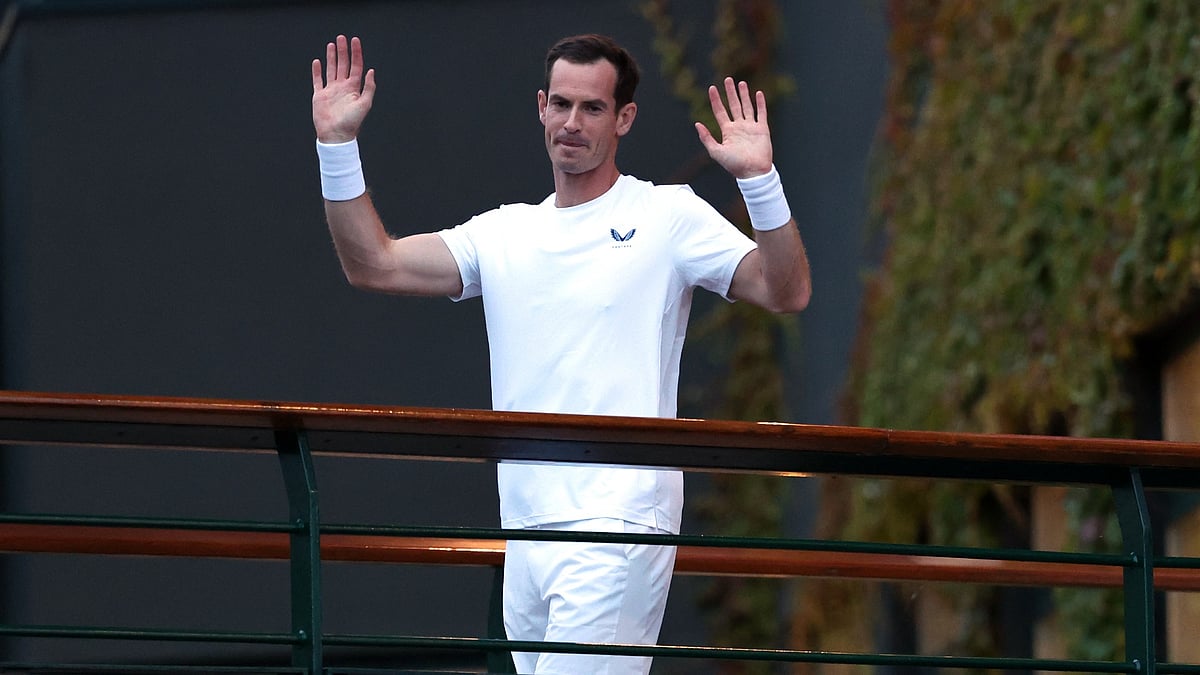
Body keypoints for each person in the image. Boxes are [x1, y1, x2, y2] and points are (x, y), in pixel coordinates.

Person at [311, 32, 811, 675]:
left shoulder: (667, 214)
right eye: (562, 105)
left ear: (624, 118)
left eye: (593, 108)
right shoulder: (505, 231)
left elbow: (786, 289)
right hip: (523, 528)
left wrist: (760, 181)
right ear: (542, 107)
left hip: (619, 521)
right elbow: (374, 265)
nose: (572, 123)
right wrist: (336, 145)